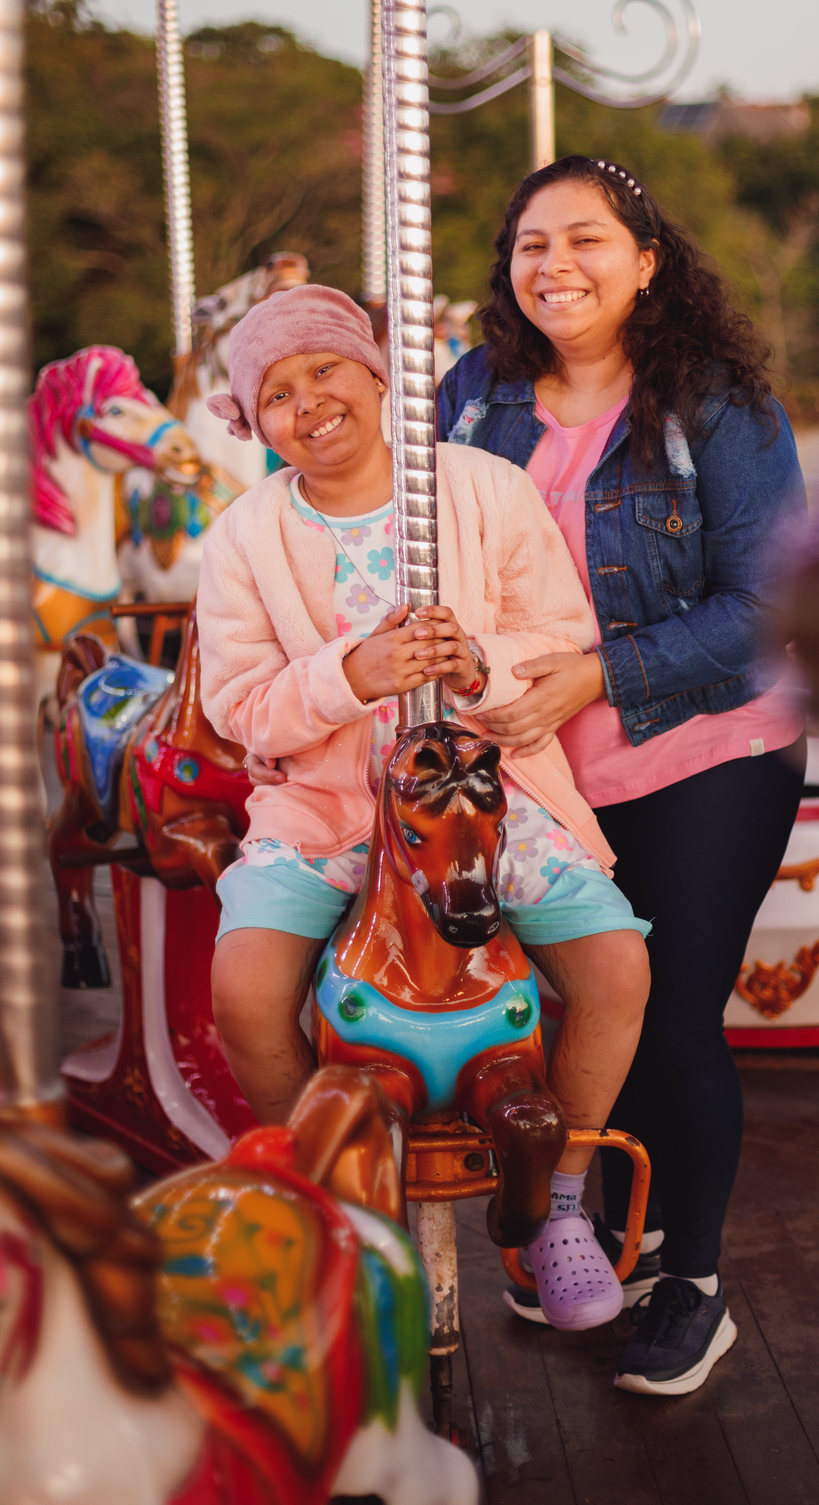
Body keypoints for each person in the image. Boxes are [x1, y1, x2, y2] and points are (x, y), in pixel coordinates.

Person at [195, 284, 651, 1332]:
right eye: (275, 395)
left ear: (375, 377)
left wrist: (479, 663)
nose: (308, 403)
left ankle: (561, 1206)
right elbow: (242, 709)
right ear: (253, 424)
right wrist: (349, 673)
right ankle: (318, 1197)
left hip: (482, 796)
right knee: (244, 985)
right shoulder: (245, 539)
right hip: (323, 806)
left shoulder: (481, 489)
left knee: (618, 966)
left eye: (324, 372)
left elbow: (561, 633)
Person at [438, 155, 806, 1397]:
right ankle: (615, 1231)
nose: (558, 267)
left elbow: (767, 606)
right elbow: (400, 532)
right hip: (536, 764)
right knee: (593, 1010)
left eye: (587, 241)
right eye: (532, 245)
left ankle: (693, 1281)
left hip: (704, 748)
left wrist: (597, 675)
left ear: (646, 260)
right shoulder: (475, 396)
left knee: (676, 1016)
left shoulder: (717, 407)